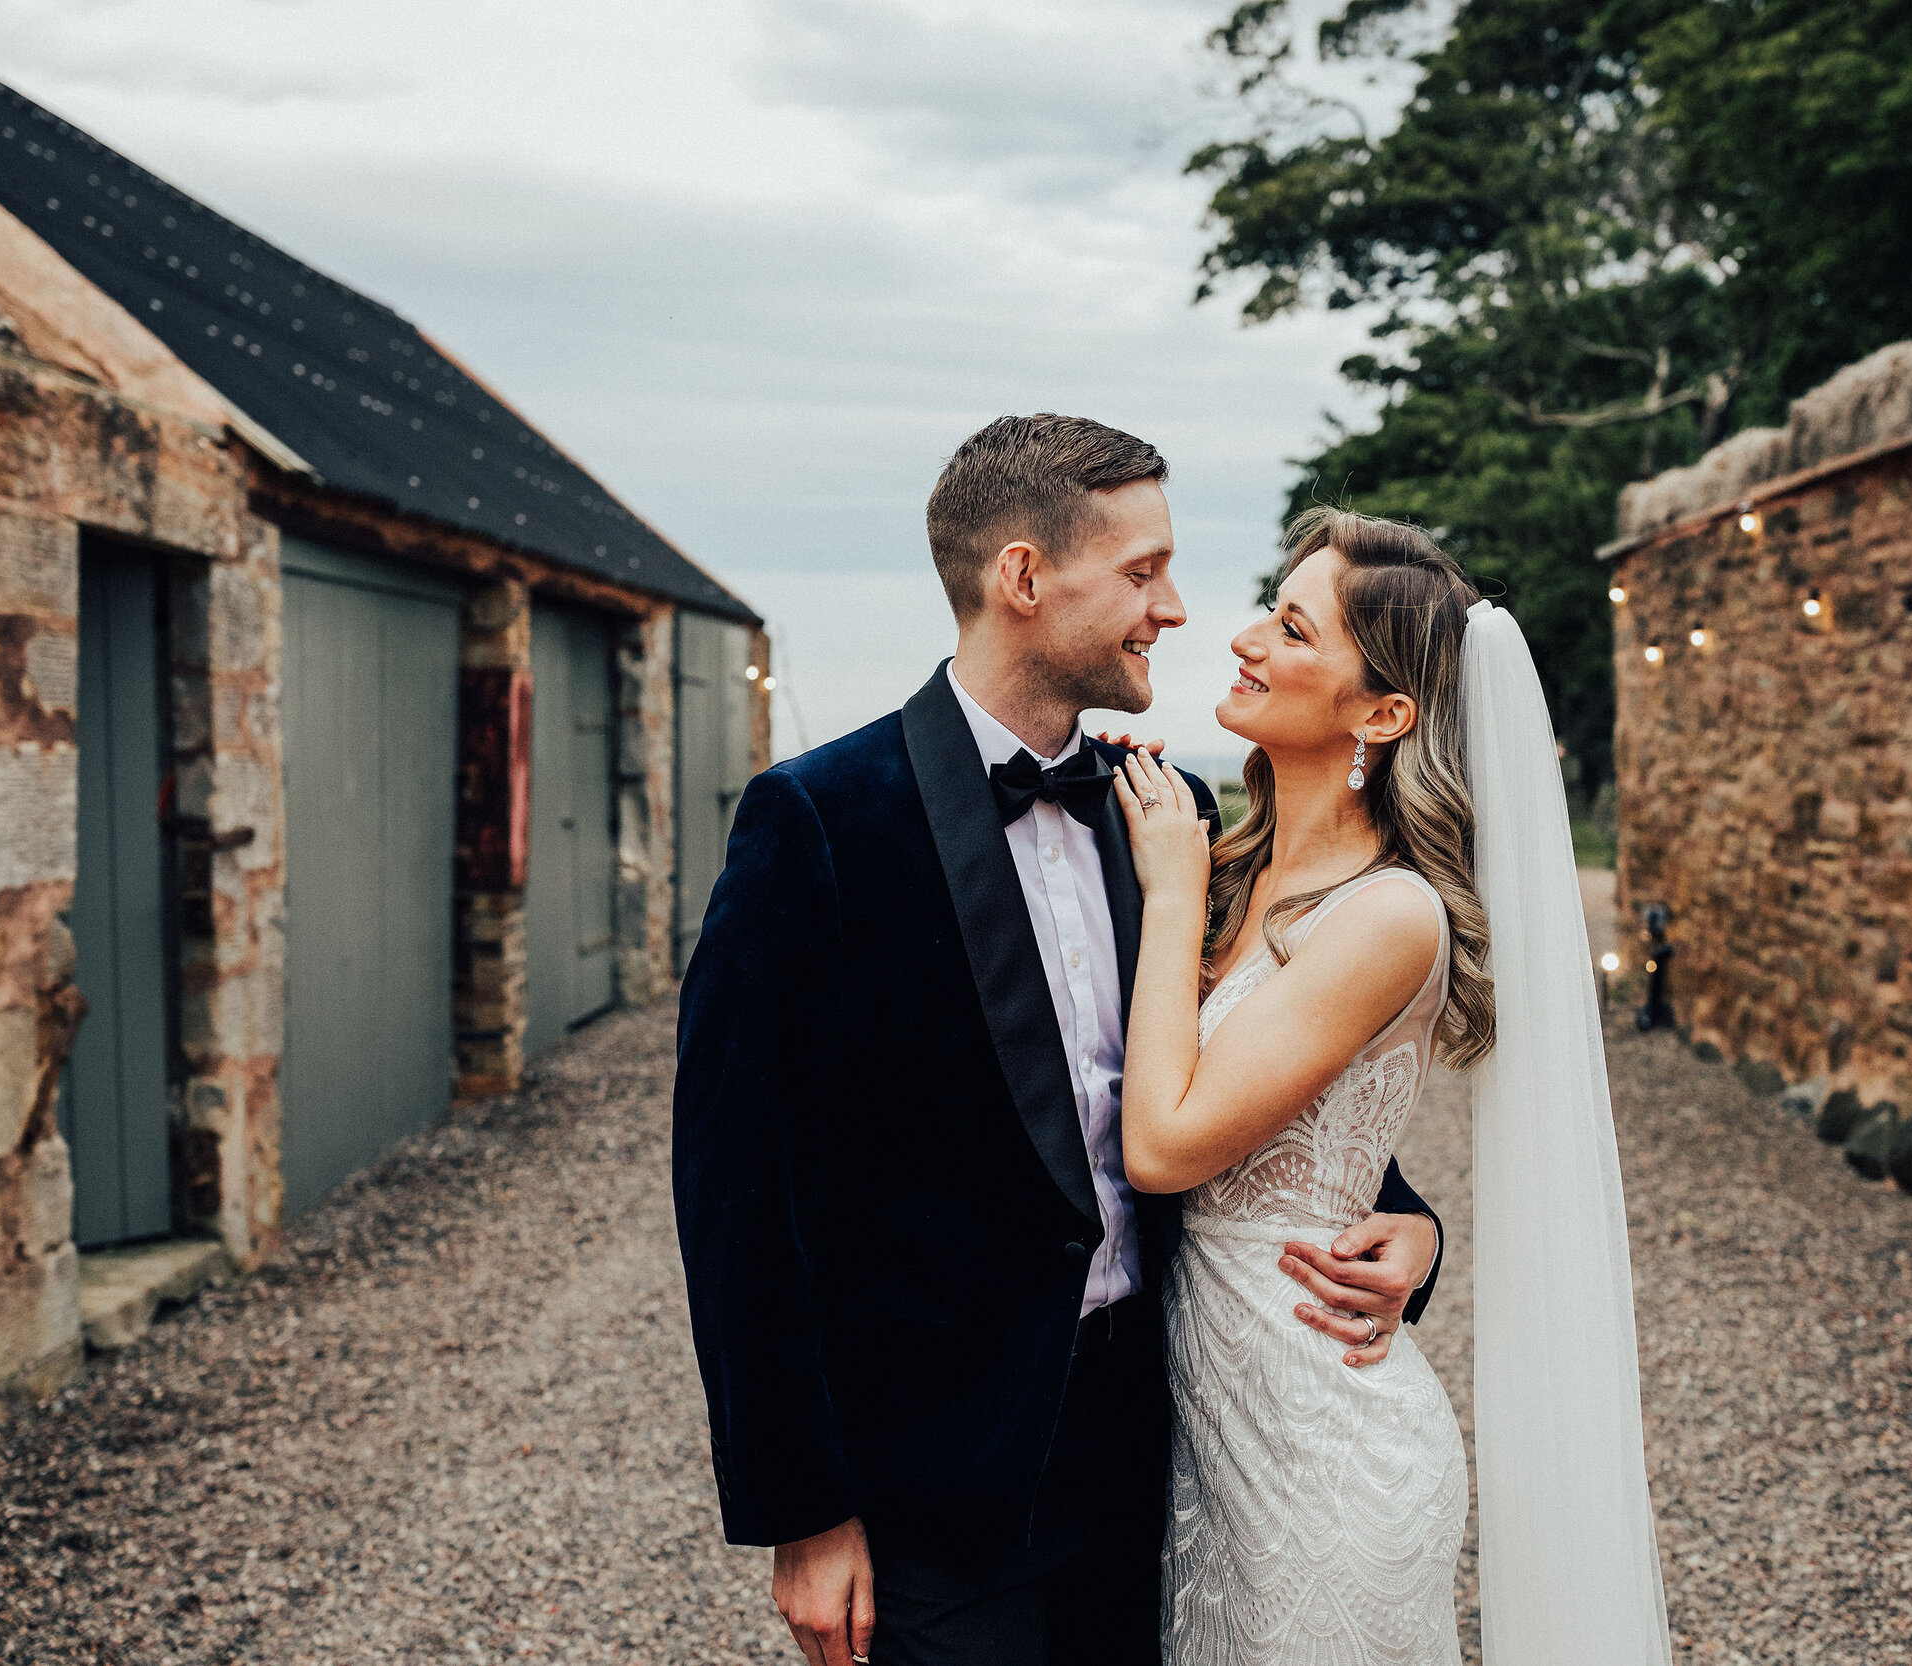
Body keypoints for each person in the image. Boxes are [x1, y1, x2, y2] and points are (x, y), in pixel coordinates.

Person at [670, 416, 1445, 1666]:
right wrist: (802, 1511)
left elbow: (1260, 1074)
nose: (1176, 609)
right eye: (1142, 572)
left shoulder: (1170, 817)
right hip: (941, 1478)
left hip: (1169, 1450)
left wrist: (1407, 1219)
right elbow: (735, 1191)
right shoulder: (817, 821)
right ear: (1024, 579)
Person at [1111, 508, 1675, 1665]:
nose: (1247, 642)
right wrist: (1411, 1222)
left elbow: (1167, 1148)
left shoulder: (1389, 915)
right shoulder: (1221, 857)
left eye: (1292, 629)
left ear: (1381, 714)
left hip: (1322, 1456)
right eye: (1271, 612)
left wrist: (1168, 898)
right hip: (1201, 1444)